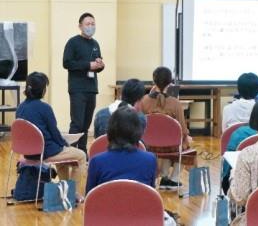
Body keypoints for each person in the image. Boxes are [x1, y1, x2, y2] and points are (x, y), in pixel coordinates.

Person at [16, 72, 86, 202]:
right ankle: (73, 193)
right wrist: (66, 143)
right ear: (43, 90)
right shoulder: (45, 108)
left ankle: (64, 191)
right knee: (81, 156)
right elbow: (55, 134)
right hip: (46, 152)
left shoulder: (20, 108)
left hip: (27, 152)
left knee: (63, 159)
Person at [140, 66, 195, 190]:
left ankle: (163, 175)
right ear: (170, 83)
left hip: (148, 145)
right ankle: (172, 179)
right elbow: (183, 130)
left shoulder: (144, 101)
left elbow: (139, 124)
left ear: (153, 81)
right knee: (184, 142)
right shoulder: (175, 103)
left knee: (162, 140)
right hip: (170, 146)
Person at [86, 106, 157, 193]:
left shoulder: (97, 161)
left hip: (107, 206)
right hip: (139, 206)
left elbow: (90, 198)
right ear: (138, 130)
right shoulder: (150, 159)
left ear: (110, 130)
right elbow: (151, 195)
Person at [63, 12, 104, 155]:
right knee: (77, 123)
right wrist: (88, 65)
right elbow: (67, 63)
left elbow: (97, 64)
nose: (91, 26)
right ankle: (71, 152)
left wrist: (100, 65)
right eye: (88, 24)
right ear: (80, 26)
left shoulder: (95, 44)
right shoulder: (73, 42)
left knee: (86, 124)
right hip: (77, 88)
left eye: (93, 24)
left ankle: (83, 152)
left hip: (91, 88)